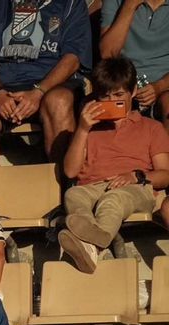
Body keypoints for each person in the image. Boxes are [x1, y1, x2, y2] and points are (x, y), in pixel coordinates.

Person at [59, 57, 169, 272]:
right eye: (105, 97)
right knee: (73, 195)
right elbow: (70, 170)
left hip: (135, 187)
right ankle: (92, 247)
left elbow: (165, 174)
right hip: (91, 186)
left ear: (133, 92)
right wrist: (82, 129)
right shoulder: (88, 130)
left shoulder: (151, 127)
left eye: (119, 96)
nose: (111, 102)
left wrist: (136, 176)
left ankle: (96, 243)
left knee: (113, 199)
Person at [0, 0, 89, 166]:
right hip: (3, 86)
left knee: (59, 101)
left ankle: (62, 187)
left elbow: (72, 58)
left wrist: (40, 91)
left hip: (52, 85)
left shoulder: (71, 3)